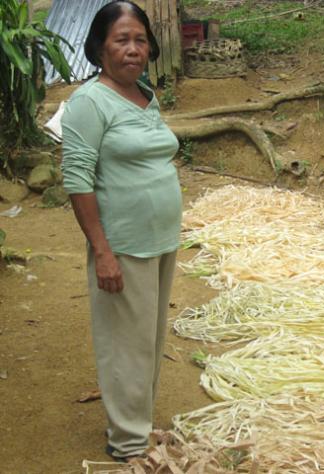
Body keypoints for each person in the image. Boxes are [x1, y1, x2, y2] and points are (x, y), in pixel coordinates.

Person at [61, 1, 181, 462]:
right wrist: (102, 251)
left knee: (148, 340)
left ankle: (139, 423)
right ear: (99, 48)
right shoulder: (89, 102)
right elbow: (77, 180)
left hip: (160, 241)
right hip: (123, 245)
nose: (133, 49)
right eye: (121, 40)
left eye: (140, 40)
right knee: (125, 346)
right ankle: (127, 443)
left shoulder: (145, 94)